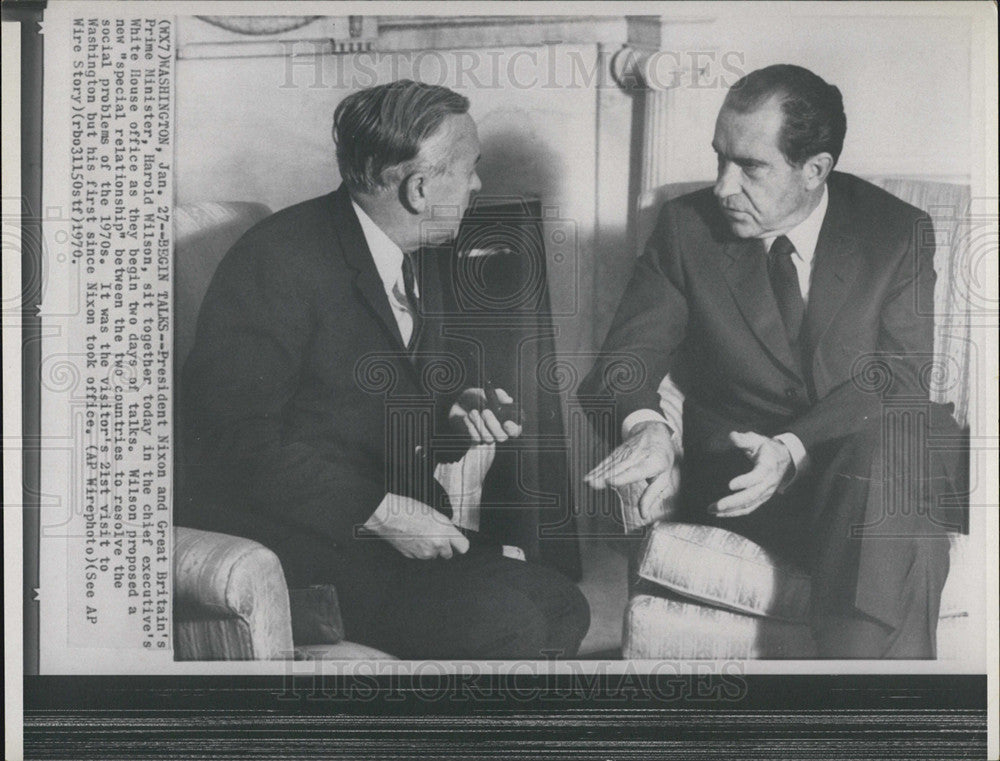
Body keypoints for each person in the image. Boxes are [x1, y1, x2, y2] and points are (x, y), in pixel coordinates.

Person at [180, 80, 589, 659]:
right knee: (507, 623)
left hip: (384, 531)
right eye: (470, 169)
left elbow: (365, 409)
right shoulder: (277, 261)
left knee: (562, 601)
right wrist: (381, 512)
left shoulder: (411, 250)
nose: (477, 185)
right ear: (420, 188)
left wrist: (454, 416)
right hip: (301, 544)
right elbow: (230, 443)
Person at [580, 64, 962, 658]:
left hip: (866, 471)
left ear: (815, 170)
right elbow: (621, 365)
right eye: (719, 159)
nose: (723, 186)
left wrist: (792, 447)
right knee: (900, 540)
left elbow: (900, 376)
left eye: (750, 167)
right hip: (740, 485)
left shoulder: (894, 231)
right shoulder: (687, 229)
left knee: (890, 470)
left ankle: (851, 716)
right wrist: (647, 426)